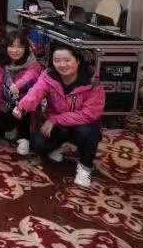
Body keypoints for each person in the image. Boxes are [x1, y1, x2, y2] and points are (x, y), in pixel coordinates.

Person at [13, 45, 104, 188]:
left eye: (67, 60)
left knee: (88, 131)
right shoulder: (49, 76)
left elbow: (89, 114)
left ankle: (85, 167)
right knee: (37, 145)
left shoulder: (92, 82)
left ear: (78, 60)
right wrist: (21, 107)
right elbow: (35, 93)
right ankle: (60, 145)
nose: (62, 65)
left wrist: (55, 119)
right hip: (58, 125)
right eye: (57, 60)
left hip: (81, 124)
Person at [0, 30, 43, 155]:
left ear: (25, 48)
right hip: (5, 100)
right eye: (11, 46)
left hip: (24, 103)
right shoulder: (0, 61)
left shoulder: (32, 62)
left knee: (26, 102)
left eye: (20, 47)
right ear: (6, 47)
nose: (15, 50)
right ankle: (10, 127)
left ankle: (24, 137)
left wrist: (17, 85)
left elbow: (30, 75)